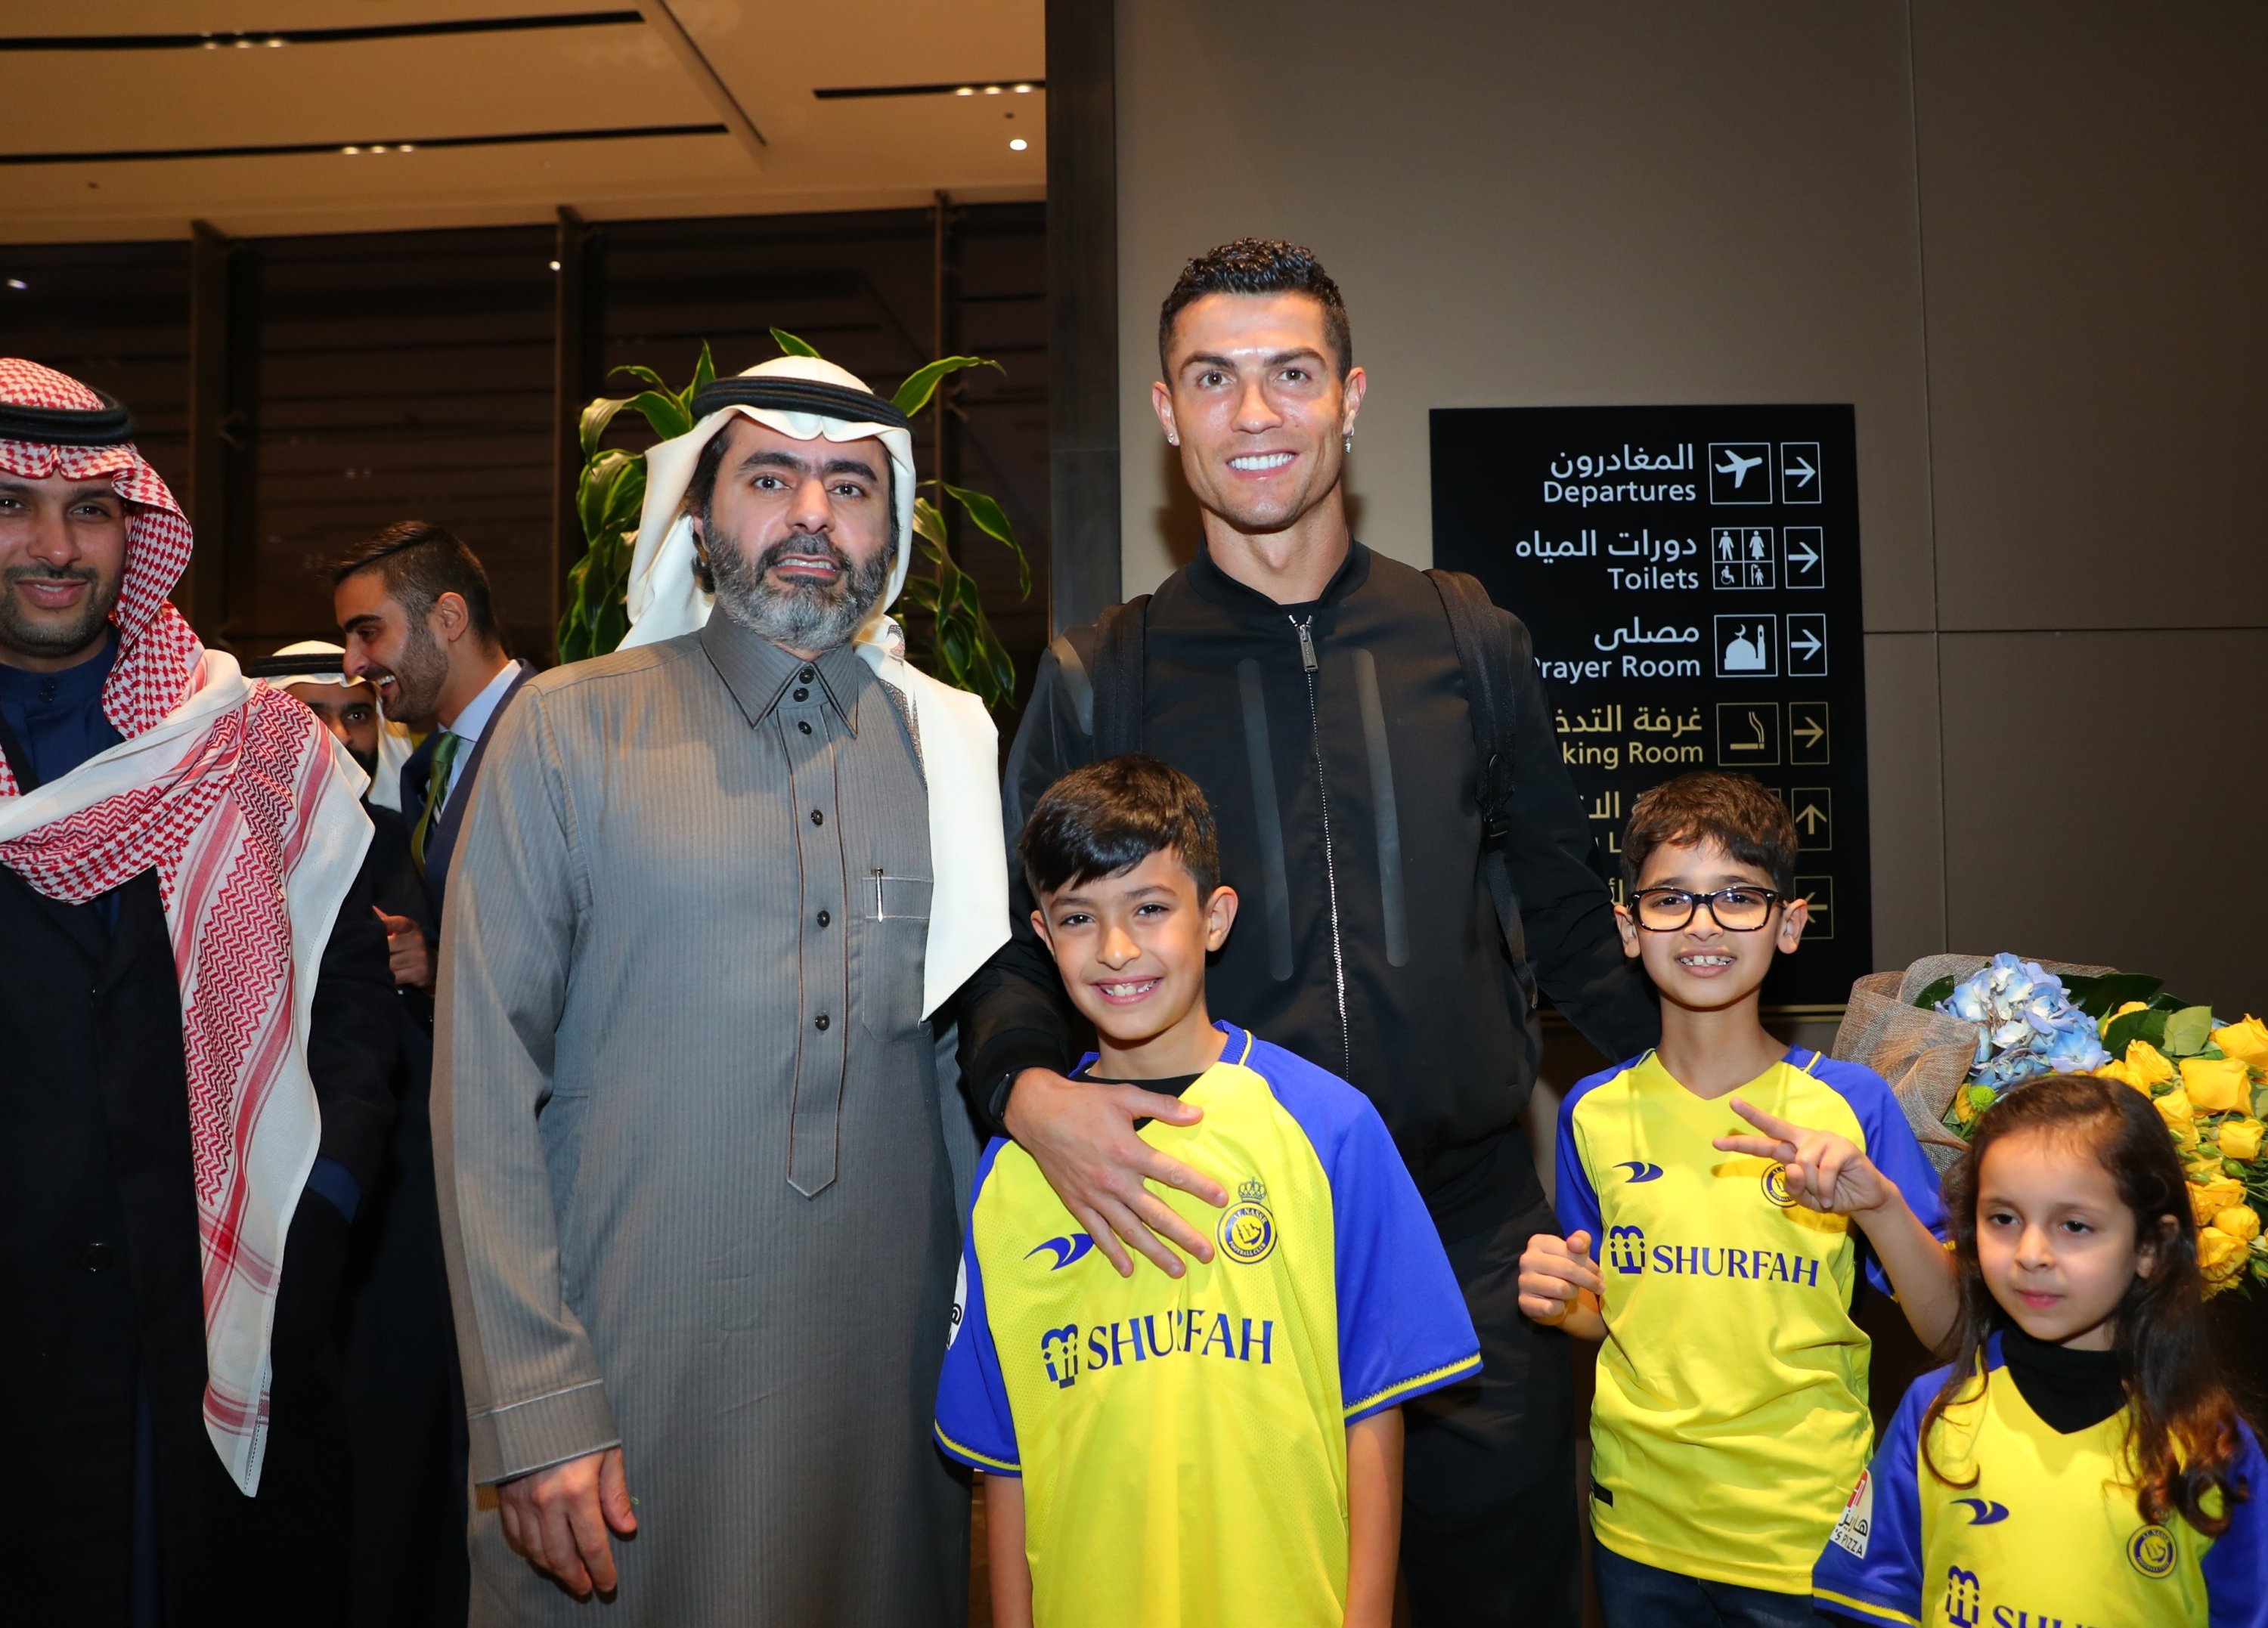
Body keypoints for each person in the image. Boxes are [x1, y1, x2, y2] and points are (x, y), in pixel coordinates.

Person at [959, 238, 1659, 1624]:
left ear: (1349, 395)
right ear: (1169, 413)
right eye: (1215, 379)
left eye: (1291, 374)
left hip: (1473, 1238)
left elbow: (1578, 924)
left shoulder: (1472, 641)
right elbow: (1011, 943)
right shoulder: (1107, 672)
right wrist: (1027, 1097)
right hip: (1212, 1235)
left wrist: (1738, 1092)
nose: (1257, 414)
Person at [436, 354, 1009, 1624]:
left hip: (884, 1401)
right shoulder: (568, 729)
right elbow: (483, 1083)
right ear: (701, 517)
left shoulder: (952, 754)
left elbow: (971, 1077)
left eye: (851, 484)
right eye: (771, 476)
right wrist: (535, 1409)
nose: (814, 514)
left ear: (893, 525)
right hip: (626, 1392)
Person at [0, 357, 398, 1625]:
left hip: (231, 1309)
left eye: (90, 508)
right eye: (11, 504)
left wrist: (315, 1211)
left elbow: (352, 1014)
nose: (54, 545)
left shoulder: (258, 745)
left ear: (137, 527)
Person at [937, 755, 1481, 1628]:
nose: (1116, 950)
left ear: (1214, 917)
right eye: (1080, 918)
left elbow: (1373, 1406)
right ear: (1043, 936)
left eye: (1149, 909)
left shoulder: (1326, 1127)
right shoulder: (1012, 1172)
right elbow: (1003, 1462)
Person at [1518, 771, 1957, 1627]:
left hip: (1810, 1536)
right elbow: (1619, 1312)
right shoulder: (1591, 1111)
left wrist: (1875, 1203)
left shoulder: (1853, 1106)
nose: (1704, 926)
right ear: (1629, 928)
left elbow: (1948, 1327)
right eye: (1671, 900)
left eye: (1738, 899)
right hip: (1640, 1530)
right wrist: (1563, 1300)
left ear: (1788, 925)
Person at [1814, 1073, 2268, 1627]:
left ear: (2151, 1246)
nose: (2031, 1253)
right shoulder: (1936, 1411)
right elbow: (1876, 1598)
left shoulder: (2210, 1446)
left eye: (2074, 1225)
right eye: (2003, 1219)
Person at [248, 639, 472, 1626]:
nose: (339, 736)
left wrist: (436, 969)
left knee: (395, 1449)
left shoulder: (399, 841)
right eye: (313, 713)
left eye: (356, 714)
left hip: (389, 1208)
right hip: (251, 1205)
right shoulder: (221, 833)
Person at [333, 520, 532, 977]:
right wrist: (435, 967)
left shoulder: (563, 739)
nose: (352, 663)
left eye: (368, 632)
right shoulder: (425, 771)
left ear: (449, 619)